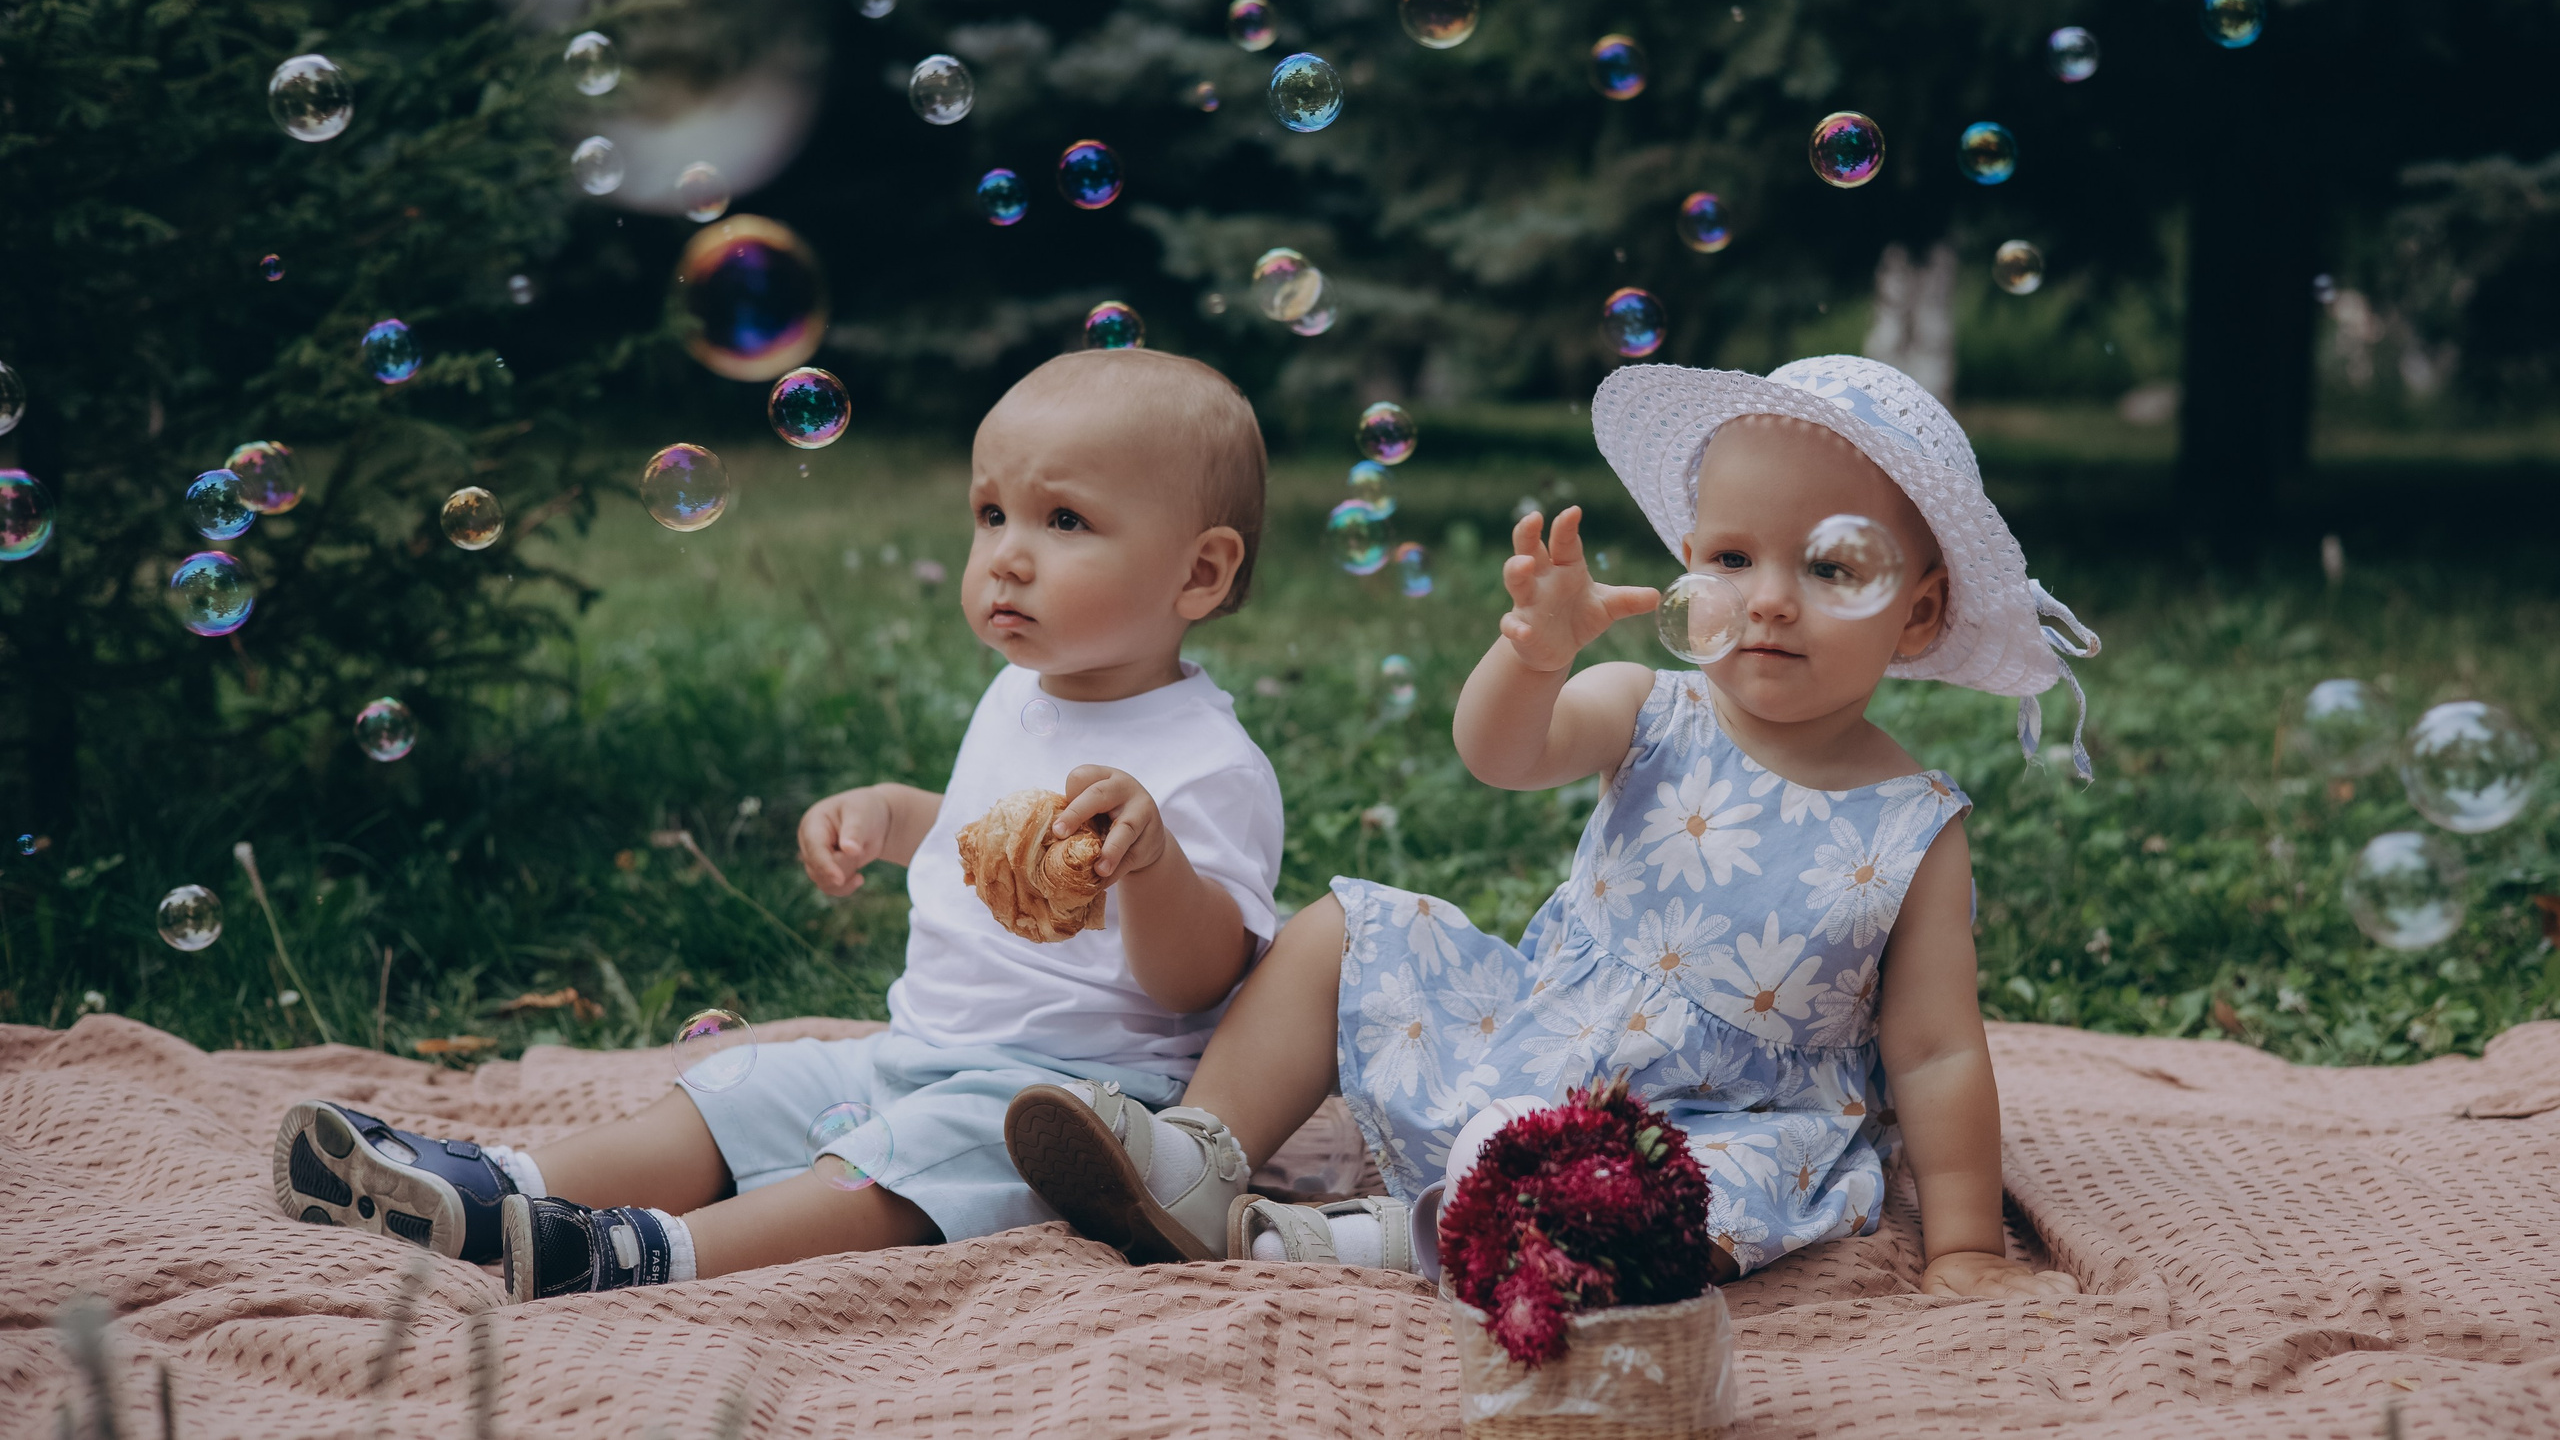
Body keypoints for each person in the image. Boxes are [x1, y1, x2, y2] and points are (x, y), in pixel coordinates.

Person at [1006, 355, 2096, 1297]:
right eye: (1731, 559)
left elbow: (1936, 1051)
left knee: (1672, 1209)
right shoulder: (1649, 707)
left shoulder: (1912, 827)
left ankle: (1381, 1239)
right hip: (1529, 1036)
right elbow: (1503, 753)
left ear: (1916, 611)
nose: (1768, 598)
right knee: (1344, 928)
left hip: (1713, 1128)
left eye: (1830, 567)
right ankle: (1199, 1155)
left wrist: (1964, 1244)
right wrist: (1534, 657)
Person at [270, 348, 1285, 1300]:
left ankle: (649, 1251)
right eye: (990, 514)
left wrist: (1152, 862)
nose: (1006, 558)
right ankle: (499, 1188)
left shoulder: (1207, 762)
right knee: (739, 1087)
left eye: (1063, 520)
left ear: (1199, 573)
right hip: (913, 1050)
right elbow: (985, 842)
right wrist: (892, 816)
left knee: (897, 1164)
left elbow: (1203, 979)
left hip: (1075, 1106)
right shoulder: (1023, 692)